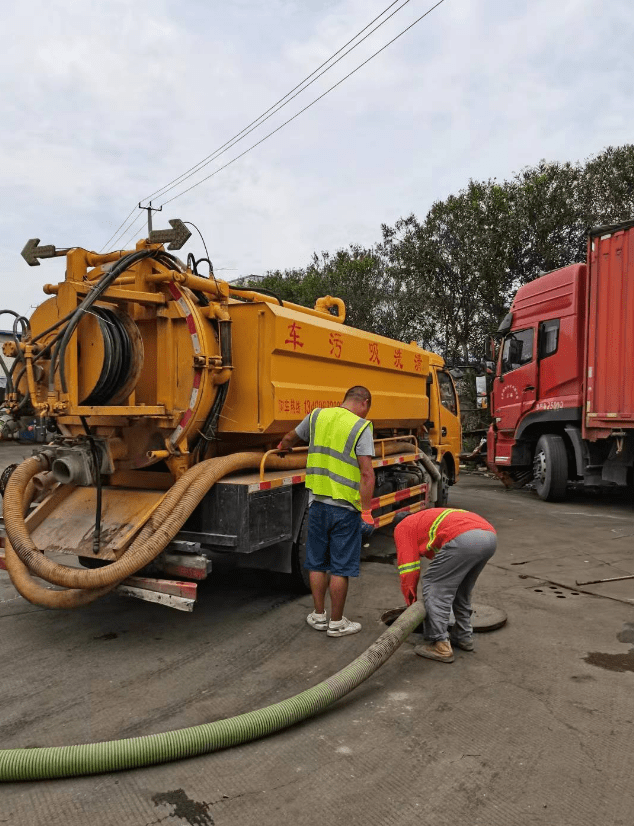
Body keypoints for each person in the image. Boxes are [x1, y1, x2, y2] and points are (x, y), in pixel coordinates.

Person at [277, 386, 375, 637]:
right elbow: (366, 473)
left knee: (317, 563)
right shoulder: (361, 426)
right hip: (345, 507)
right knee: (340, 567)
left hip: (317, 503)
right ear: (363, 403)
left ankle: (319, 616)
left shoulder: (317, 416)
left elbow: (289, 437)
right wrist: (366, 511)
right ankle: (337, 622)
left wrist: (282, 449)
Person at [393, 507, 497, 662]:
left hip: (465, 538)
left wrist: (411, 602)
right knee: (461, 589)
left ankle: (440, 645)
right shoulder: (425, 517)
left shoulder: (403, 526)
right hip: (489, 536)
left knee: (435, 584)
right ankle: (463, 636)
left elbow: (408, 569)